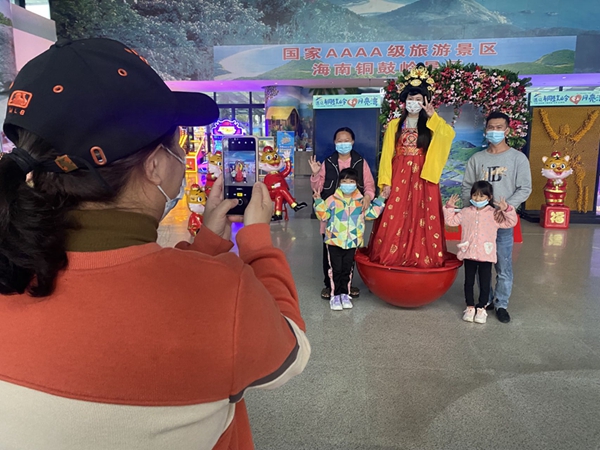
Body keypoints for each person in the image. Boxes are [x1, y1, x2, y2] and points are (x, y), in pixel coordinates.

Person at [0, 38, 310, 450]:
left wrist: (205, 247)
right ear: (155, 165)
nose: (182, 154)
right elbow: (291, 353)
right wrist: (256, 241)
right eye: (178, 145)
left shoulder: (12, 262)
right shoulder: (223, 293)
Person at [367, 64, 455, 267]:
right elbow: (387, 155)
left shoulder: (431, 125)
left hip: (423, 175)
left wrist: (433, 117)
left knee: (422, 214)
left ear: (425, 101)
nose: (413, 103)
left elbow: (448, 135)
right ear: (404, 101)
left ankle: (422, 256)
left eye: (418, 99)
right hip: (399, 174)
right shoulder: (394, 125)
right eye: (410, 99)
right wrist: (385, 182)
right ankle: (392, 256)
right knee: (395, 214)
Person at [462, 111, 532, 323]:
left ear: (507, 130)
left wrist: (506, 208)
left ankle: (501, 304)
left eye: (499, 127)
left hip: (502, 222)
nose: (494, 131)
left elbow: (524, 188)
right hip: (480, 225)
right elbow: (467, 187)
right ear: (486, 130)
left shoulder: (517, 158)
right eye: (491, 127)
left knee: (503, 265)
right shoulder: (477, 159)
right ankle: (487, 300)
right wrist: (470, 211)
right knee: (480, 265)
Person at [309, 127, 376, 299]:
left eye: (346, 140)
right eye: (339, 141)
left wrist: (368, 197)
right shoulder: (328, 162)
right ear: (334, 142)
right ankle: (329, 285)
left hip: (352, 218)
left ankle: (346, 286)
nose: (343, 144)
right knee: (330, 254)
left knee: (349, 254)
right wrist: (315, 175)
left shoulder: (360, 162)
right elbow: (317, 189)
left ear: (353, 142)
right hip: (332, 217)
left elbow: (369, 184)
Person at [443, 182, 518, 324]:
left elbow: (510, 223)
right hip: (469, 253)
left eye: (482, 196)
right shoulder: (465, 212)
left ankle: (482, 308)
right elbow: (451, 221)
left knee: (485, 282)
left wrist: (507, 209)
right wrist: (449, 207)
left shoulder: (494, 214)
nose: (477, 199)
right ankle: (470, 307)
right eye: (475, 195)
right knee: (469, 282)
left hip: (486, 255)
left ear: (489, 197)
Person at [313, 168, 387, 311]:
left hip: (352, 241)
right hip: (334, 241)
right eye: (344, 181)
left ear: (356, 183)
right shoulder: (332, 200)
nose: (348, 184)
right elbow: (324, 216)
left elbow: (372, 214)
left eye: (351, 181)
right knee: (335, 270)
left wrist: (381, 199)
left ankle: (345, 295)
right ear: (339, 183)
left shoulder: (361, 201)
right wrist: (318, 201)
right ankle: (335, 296)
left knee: (347, 269)